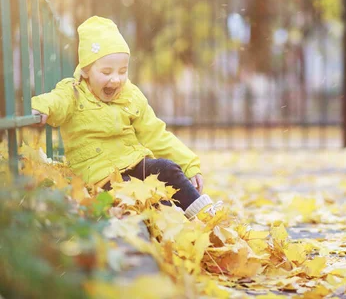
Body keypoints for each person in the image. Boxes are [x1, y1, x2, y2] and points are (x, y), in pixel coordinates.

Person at [31, 16, 214, 219]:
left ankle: (206, 216)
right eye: (106, 71)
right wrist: (42, 107)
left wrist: (190, 164)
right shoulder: (73, 92)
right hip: (98, 176)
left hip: (134, 162)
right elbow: (56, 100)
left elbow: (156, 134)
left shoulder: (130, 95)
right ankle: (173, 221)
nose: (116, 79)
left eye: (122, 71)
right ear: (85, 70)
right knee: (135, 193)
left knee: (167, 168)